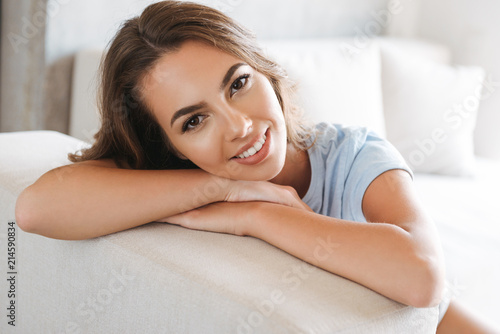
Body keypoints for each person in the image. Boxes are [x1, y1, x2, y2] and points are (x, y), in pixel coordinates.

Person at [15, 1, 498, 333]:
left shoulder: (356, 155)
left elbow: (424, 278)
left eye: (238, 83)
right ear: (169, 145)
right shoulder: (172, 176)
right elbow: (36, 210)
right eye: (195, 120)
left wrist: (260, 214)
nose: (240, 125)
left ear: (265, 71)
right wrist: (218, 188)